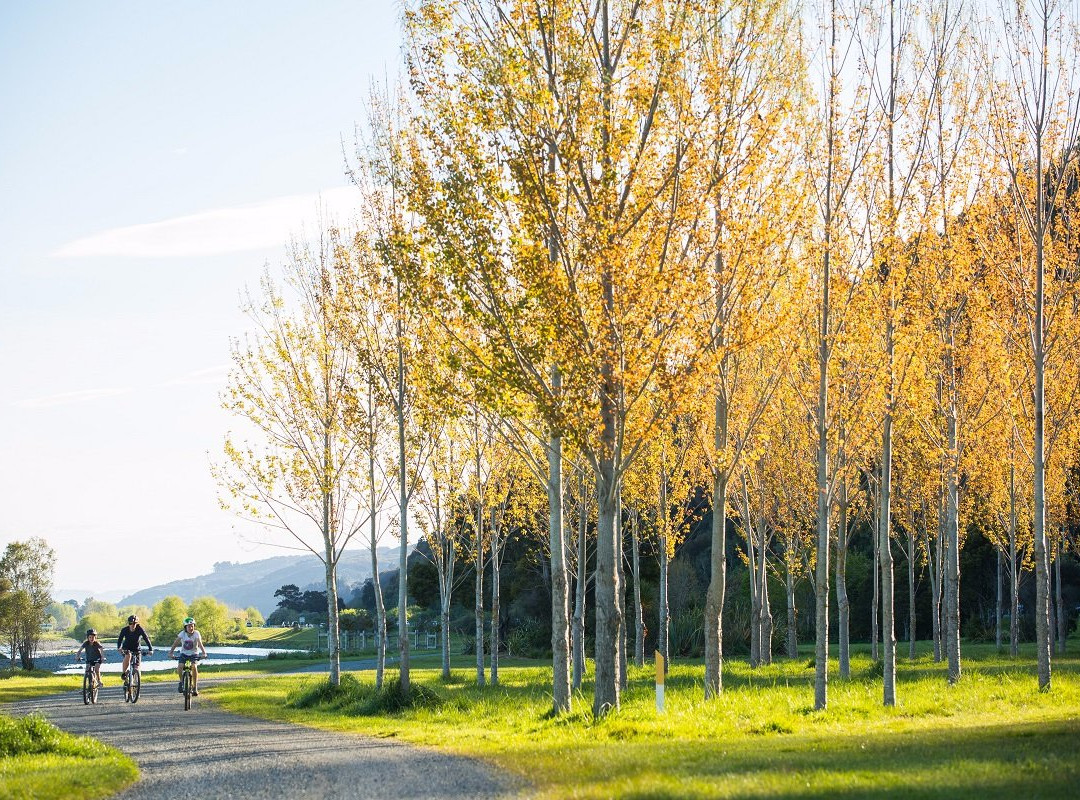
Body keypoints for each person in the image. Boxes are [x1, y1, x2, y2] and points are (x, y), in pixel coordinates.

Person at [168, 617, 207, 695]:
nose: (191, 628)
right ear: (185, 627)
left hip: (194, 654)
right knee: (180, 666)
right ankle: (181, 682)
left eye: (192, 626)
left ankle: (195, 687)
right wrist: (171, 653)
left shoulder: (196, 633)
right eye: (189, 626)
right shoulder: (182, 634)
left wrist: (204, 653)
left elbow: (200, 644)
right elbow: (175, 643)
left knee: (194, 667)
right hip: (184, 654)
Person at [116, 614, 153, 685]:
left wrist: (150, 649)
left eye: (134, 623)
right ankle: (124, 673)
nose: (132, 625)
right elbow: (120, 639)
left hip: (136, 649)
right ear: (128, 623)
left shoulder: (140, 629)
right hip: (127, 647)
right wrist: (119, 648)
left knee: (137, 667)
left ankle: (137, 683)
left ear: (137, 623)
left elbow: (146, 638)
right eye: (131, 623)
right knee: (128, 655)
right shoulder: (124, 630)